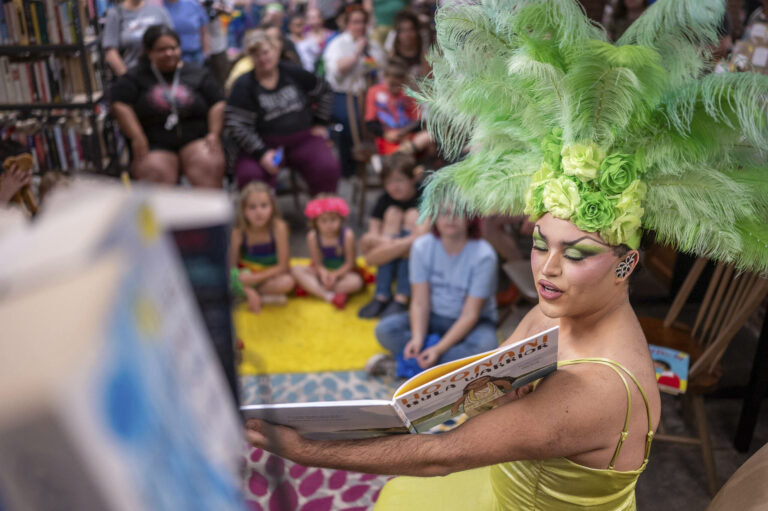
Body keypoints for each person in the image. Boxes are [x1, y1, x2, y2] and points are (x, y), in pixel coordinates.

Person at [245, 0, 768, 508]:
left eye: (577, 252)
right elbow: (500, 377)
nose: (548, 268)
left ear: (627, 264)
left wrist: (304, 449)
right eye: (541, 242)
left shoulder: (598, 388)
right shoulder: (560, 300)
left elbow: (438, 457)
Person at [374, 208, 499, 371]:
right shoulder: (422, 247)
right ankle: (439, 368)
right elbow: (420, 303)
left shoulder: (484, 255)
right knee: (384, 330)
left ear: (470, 217)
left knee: (485, 347)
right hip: (433, 316)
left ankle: (407, 364)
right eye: (444, 212)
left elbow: (470, 315)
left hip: (474, 323)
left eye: (458, 212)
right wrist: (417, 339)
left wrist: (438, 349)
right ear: (433, 216)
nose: (450, 218)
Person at [225, 29, 341, 194]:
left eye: (266, 52)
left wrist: (321, 122)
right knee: (250, 176)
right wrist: (261, 153)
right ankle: (262, 218)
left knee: (326, 167)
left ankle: (323, 215)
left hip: (303, 139)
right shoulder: (244, 85)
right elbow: (237, 125)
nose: (263, 58)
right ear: (250, 58)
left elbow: (324, 90)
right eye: (256, 55)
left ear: (275, 50)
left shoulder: (291, 72)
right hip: (262, 144)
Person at [110, 24, 226, 187]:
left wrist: (214, 133)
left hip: (195, 137)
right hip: (153, 142)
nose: (169, 53)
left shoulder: (198, 73)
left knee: (208, 164)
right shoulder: (135, 77)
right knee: (155, 172)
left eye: (174, 48)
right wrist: (136, 136)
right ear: (149, 53)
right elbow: (120, 103)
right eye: (162, 50)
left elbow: (217, 102)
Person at [358, 153, 427, 319]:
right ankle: (382, 295)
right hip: (401, 247)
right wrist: (400, 242)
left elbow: (423, 241)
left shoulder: (424, 196)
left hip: (417, 258)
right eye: (388, 182)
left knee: (411, 215)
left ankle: (401, 297)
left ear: (413, 178)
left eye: (399, 180)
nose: (394, 187)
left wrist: (389, 243)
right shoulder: (385, 200)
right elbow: (370, 241)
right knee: (392, 213)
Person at [323, 5, 385, 177]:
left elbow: (380, 70)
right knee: (353, 120)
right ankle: (351, 165)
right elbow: (338, 71)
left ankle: (382, 161)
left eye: (363, 22)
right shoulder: (338, 43)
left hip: (369, 94)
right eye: (356, 22)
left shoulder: (372, 45)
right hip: (343, 94)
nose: (360, 26)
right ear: (347, 23)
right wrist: (357, 51)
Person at [230, 181, 295, 314]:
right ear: (243, 210)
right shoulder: (238, 233)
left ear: (272, 207)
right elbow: (230, 268)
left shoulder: (279, 227)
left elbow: (283, 265)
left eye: (264, 206)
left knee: (288, 281)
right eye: (252, 207)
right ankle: (254, 295)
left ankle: (255, 296)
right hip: (247, 277)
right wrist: (247, 288)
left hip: (270, 275)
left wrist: (256, 279)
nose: (259, 212)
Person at [291, 195, 364, 309]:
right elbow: (317, 263)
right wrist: (323, 273)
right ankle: (328, 296)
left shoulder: (347, 235)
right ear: (315, 222)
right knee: (295, 269)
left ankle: (314, 289)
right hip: (322, 273)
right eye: (323, 221)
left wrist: (335, 275)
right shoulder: (313, 236)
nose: (329, 225)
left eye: (333, 219)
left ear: (341, 219)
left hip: (343, 273)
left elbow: (350, 263)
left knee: (356, 282)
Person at [364, 58, 432, 156]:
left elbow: (418, 121)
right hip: (385, 138)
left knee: (429, 136)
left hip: (408, 137)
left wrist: (404, 133)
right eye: (392, 84)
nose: (395, 88)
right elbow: (370, 122)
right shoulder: (374, 92)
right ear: (385, 78)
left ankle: (399, 154)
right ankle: (400, 154)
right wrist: (385, 134)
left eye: (399, 85)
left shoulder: (408, 94)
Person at [103, 0, 174, 76]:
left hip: (161, 74)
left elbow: (173, 42)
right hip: (132, 73)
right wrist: (127, 78)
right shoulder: (115, 14)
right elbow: (110, 51)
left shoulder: (159, 11)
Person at [383, 9, 430, 79]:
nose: (407, 35)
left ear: (417, 32)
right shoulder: (391, 57)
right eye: (403, 31)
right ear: (397, 34)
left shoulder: (425, 57)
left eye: (411, 30)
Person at [162, 0, 210, 64]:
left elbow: (204, 31)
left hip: (196, 53)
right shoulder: (160, 6)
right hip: (171, 55)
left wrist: (206, 53)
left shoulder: (192, 4)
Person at [296, 8, 334, 72]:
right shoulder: (304, 36)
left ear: (322, 18)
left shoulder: (331, 35)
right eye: (309, 18)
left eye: (315, 17)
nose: (313, 21)